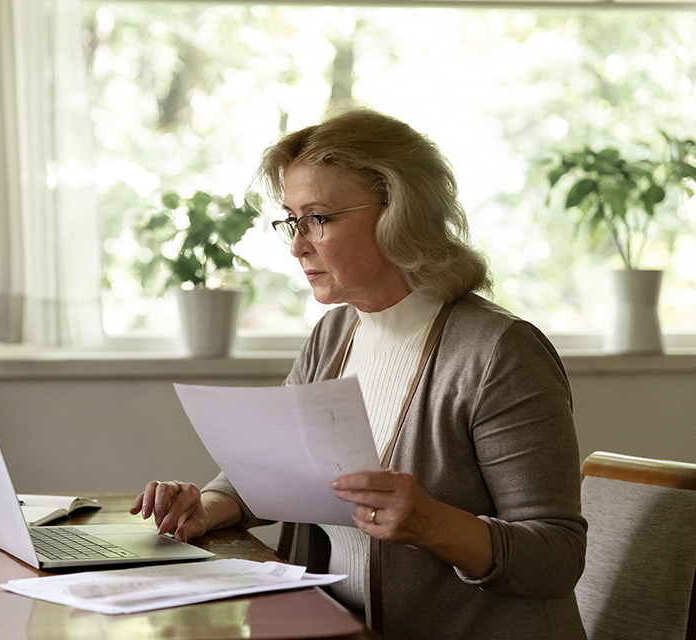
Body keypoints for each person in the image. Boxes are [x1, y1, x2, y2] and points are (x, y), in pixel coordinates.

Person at [131, 106, 588, 639]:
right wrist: (205, 508)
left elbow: (556, 558)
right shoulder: (333, 334)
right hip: (337, 626)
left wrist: (433, 524)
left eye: (318, 219)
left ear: (400, 213)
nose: (298, 244)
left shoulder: (500, 352)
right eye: (291, 220)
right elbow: (270, 469)